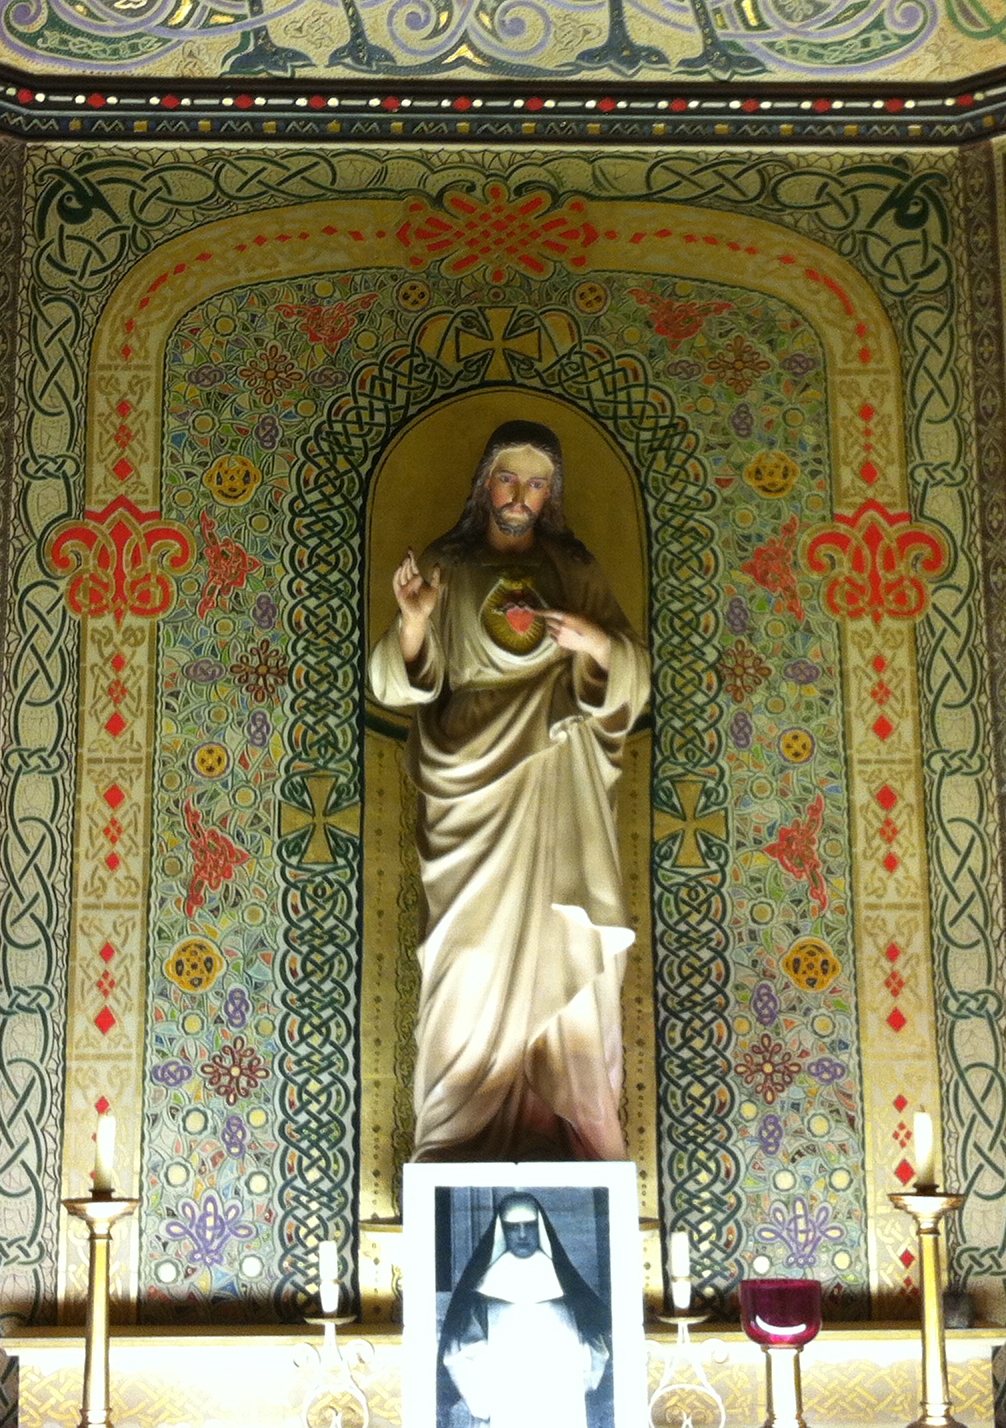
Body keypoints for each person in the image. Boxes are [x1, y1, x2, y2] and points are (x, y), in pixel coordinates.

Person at [368, 421, 649, 1161]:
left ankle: (570, 1124)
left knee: (566, 948)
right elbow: (400, 684)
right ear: (484, 485)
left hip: (558, 775)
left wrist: (594, 645)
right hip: (471, 790)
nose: (520, 496)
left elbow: (631, 674)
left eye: (536, 483)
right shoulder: (448, 564)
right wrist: (415, 622)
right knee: (466, 963)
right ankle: (454, 1133)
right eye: (508, 478)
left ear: (551, 494)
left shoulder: (573, 566)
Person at [438, 1193, 612, 1428]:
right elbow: (462, 1354)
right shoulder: (482, 1293)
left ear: (539, 1228)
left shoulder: (565, 1285)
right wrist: (485, 1401)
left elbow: (595, 1346)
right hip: (508, 1403)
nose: (522, 1235)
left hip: (561, 1400)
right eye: (513, 1227)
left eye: (529, 1226)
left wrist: (577, 1379)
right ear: (503, 1230)